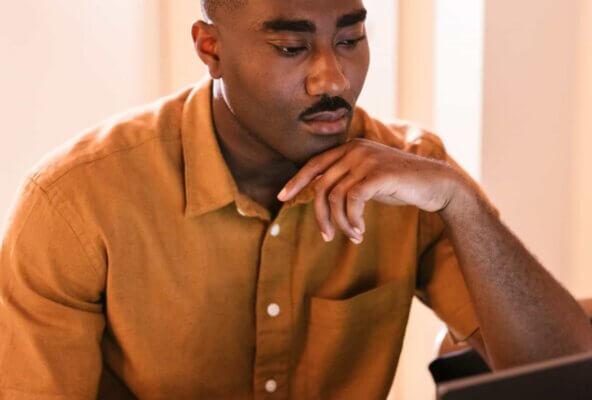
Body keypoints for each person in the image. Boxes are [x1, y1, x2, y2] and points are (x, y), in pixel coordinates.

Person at [1, 0, 591, 398]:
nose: (333, 79)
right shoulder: (75, 202)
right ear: (210, 48)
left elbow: (566, 379)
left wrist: (460, 202)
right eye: (292, 48)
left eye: (351, 39)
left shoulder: (415, 176)